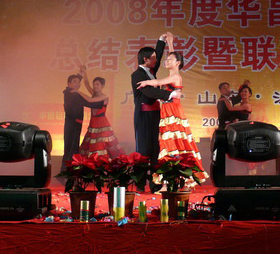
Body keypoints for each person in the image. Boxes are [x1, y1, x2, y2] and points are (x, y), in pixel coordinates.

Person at [137, 37, 207, 181]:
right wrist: (170, 43)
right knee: (171, 141)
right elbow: (174, 57)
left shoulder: (175, 76)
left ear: (177, 63)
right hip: (167, 110)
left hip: (173, 111)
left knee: (174, 140)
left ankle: (179, 177)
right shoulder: (172, 73)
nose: (166, 61)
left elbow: (158, 82)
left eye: (170, 60)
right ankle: (172, 178)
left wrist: (146, 82)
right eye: (167, 59)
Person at [131, 32, 180, 164]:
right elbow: (148, 91)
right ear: (146, 59)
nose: (156, 60)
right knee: (144, 149)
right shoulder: (137, 75)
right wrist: (169, 94)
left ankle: (155, 176)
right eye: (153, 58)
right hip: (144, 116)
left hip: (156, 113)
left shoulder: (151, 71)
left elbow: (157, 54)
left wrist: (161, 40)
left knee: (156, 146)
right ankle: (141, 177)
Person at [72, 68, 125, 159]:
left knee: (101, 143)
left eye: (97, 84)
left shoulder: (104, 96)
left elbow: (90, 100)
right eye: (94, 84)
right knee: (91, 143)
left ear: (102, 86)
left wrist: (78, 91)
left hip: (102, 123)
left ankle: (101, 161)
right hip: (93, 122)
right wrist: (84, 72)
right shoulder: (94, 93)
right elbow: (86, 84)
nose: (95, 86)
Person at [61, 74, 105, 171]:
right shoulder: (73, 94)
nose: (78, 84)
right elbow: (89, 102)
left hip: (73, 123)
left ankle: (67, 170)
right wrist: (102, 101)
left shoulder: (69, 92)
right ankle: (67, 171)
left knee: (71, 146)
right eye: (75, 82)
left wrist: (81, 74)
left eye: (78, 82)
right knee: (71, 147)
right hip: (73, 124)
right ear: (69, 83)